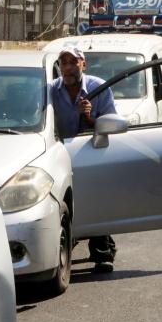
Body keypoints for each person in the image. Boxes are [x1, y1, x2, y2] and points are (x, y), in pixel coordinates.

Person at [51, 46, 118, 273]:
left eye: (73, 62)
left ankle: (102, 251)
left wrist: (90, 118)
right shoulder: (50, 90)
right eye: (64, 62)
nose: (68, 67)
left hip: (91, 151)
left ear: (83, 64)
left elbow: (111, 123)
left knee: (96, 198)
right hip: (59, 153)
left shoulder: (99, 88)